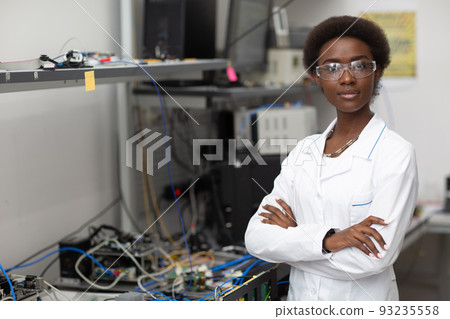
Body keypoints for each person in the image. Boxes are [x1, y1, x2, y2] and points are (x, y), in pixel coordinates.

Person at [244, 15, 418, 301]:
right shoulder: (304, 150)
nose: (347, 78)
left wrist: (295, 239)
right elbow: (255, 237)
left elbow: (373, 259)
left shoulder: (395, 153)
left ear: (377, 72)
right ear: (317, 77)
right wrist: (329, 240)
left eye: (360, 65)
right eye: (332, 68)